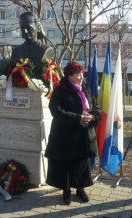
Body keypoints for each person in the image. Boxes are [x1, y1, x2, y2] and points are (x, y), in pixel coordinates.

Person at [44, 62, 101, 205]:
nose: (81, 77)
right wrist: (78, 117)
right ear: (69, 75)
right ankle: (66, 191)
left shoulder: (86, 88)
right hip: (65, 134)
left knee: (81, 163)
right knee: (66, 164)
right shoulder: (61, 89)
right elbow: (56, 110)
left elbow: (96, 106)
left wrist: (93, 116)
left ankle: (80, 189)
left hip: (83, 134)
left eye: (82, 74)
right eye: (77, 74)